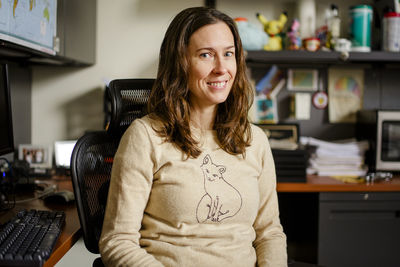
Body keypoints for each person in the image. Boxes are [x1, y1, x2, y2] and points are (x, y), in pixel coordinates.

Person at [99, 6, 287, 267]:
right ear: (180, 63)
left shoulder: (255, 140)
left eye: (228, 54)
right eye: (206, 55)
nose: (221, 68)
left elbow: (269, 233)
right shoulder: (145, 137)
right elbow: (117, 241)